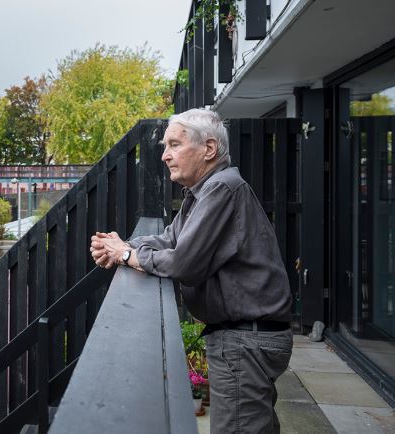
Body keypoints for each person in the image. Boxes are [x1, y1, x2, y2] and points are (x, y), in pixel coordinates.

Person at [90, 108, 293, 434]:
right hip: (247, 337)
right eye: (165, 147)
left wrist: (126, 254)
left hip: (245, 340)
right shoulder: (203, 191)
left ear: (209, 149)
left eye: (174, 145)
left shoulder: (222, 189)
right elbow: (169, 239)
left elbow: (182, 262)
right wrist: (122, 245)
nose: (166, 156)